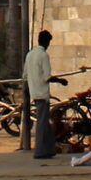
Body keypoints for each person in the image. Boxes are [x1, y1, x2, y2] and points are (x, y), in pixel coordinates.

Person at [23, 30, 60, 159]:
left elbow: (25, 75)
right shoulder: (43, 55)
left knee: (46, 123)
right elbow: (47, 77)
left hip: (34, 91)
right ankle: (39, 151)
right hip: (42, 93)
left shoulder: (30, 55)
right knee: (42, 123)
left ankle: (49, 148)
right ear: (47, 42)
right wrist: (60, 81)